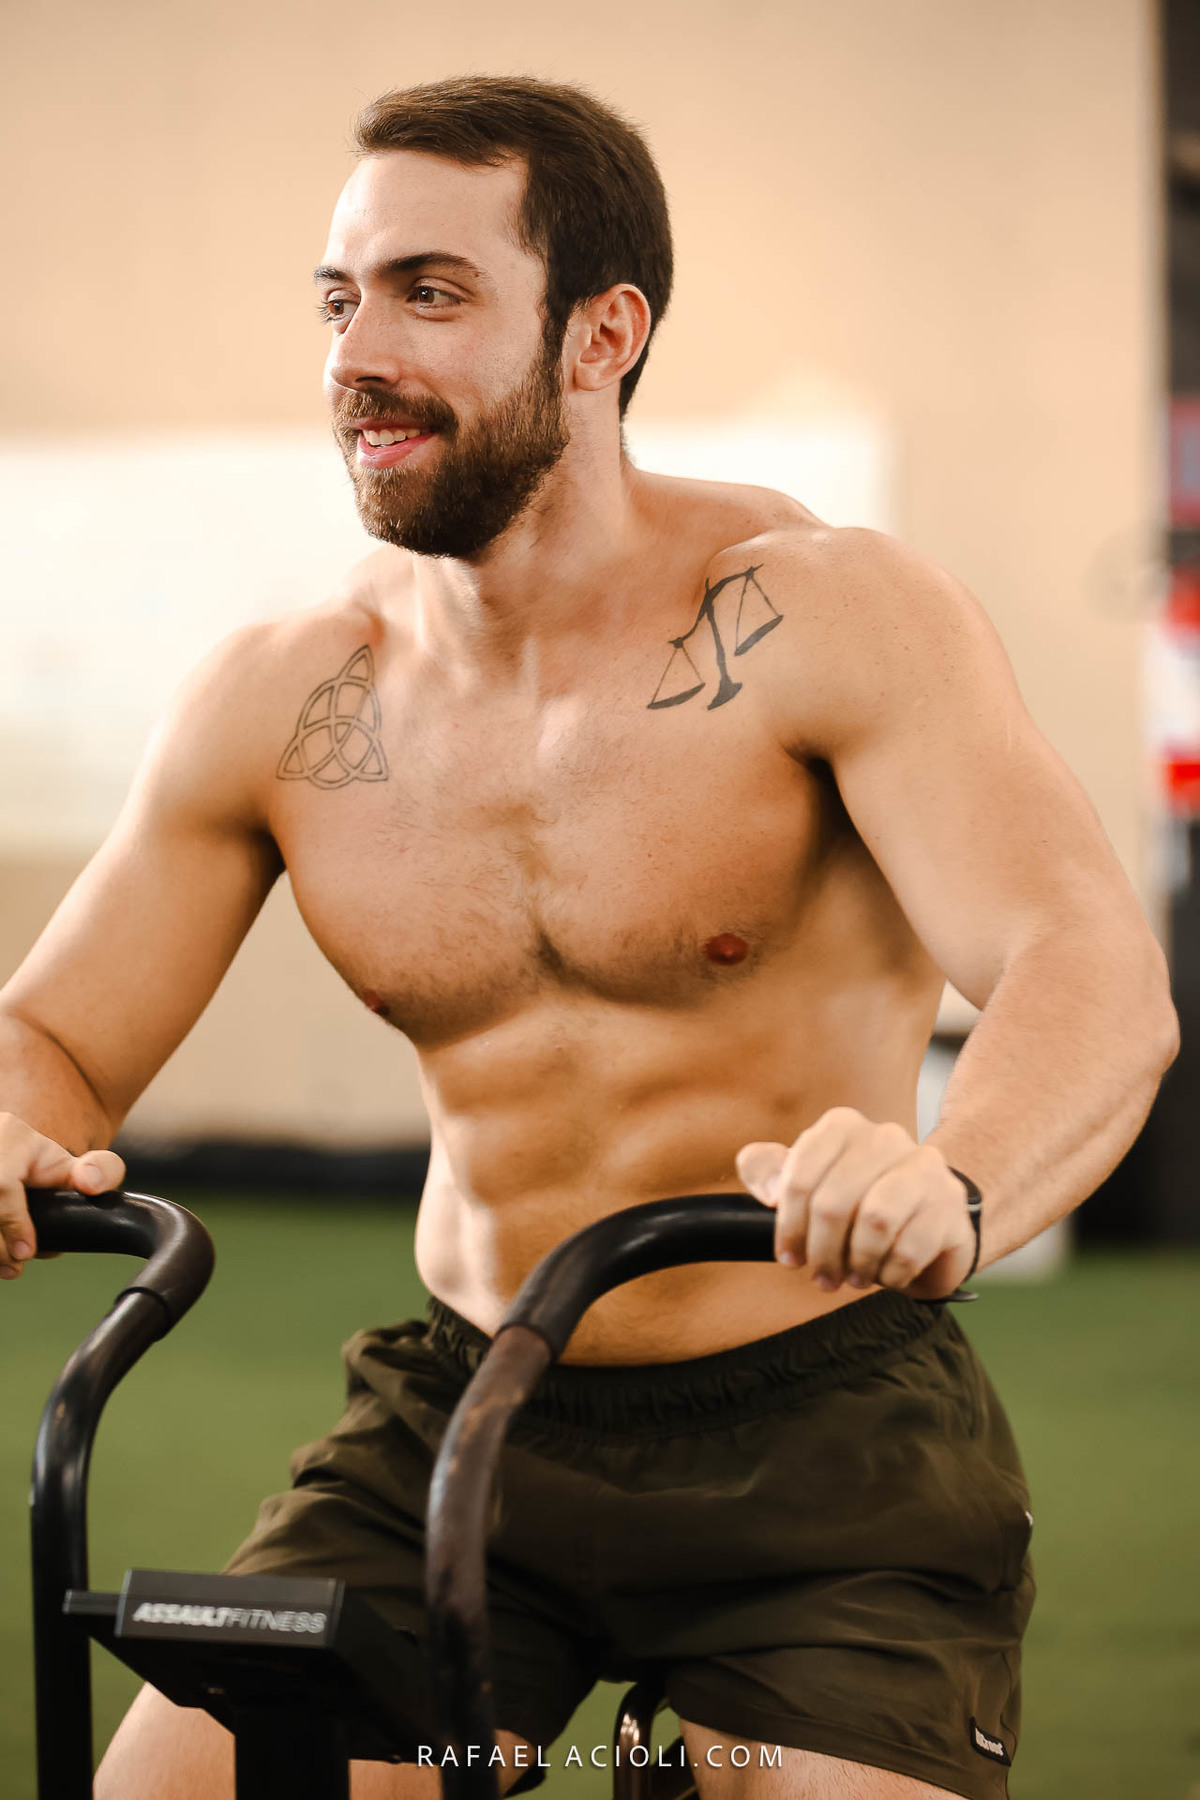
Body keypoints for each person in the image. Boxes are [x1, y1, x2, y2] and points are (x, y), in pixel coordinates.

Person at [2, 75, 1176, 1800]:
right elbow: (55, 1038)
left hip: (821, 1434)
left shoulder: (830, 616)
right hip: (468, 1414)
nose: (357, 353)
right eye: (339, 300)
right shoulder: (287, 696)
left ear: (601, 336)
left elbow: (1092, 968)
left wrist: (961, 1177)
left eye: (431, 292)